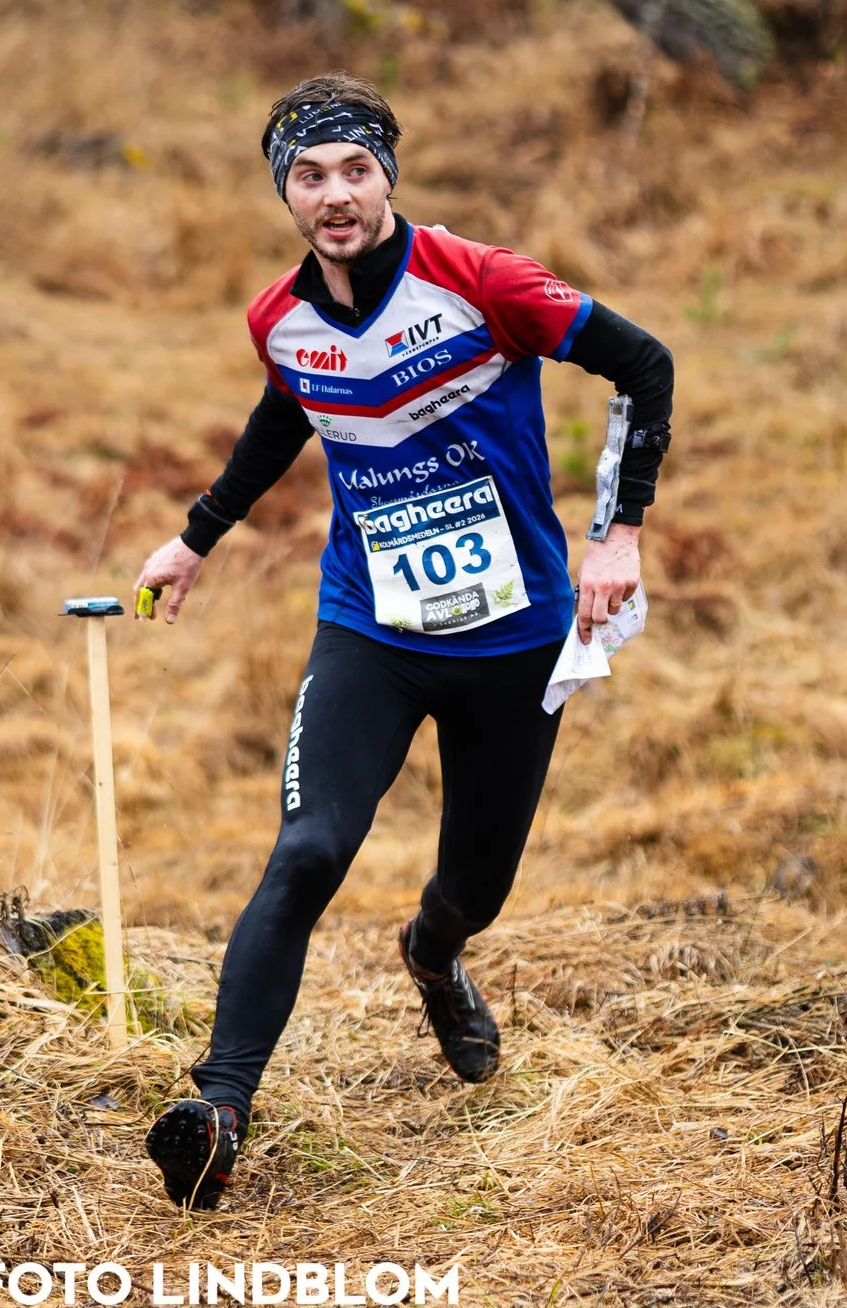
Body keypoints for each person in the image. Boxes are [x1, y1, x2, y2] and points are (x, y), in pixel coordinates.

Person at [132, 74, 674, 1211]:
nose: (334, 195)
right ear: (284, 192)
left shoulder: (485, 282)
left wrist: (616, 535)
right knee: (308, 849)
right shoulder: (278, 320)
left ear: (388, 175)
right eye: (308, 175)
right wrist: (196, 537)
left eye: (355, 170)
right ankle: (219, 1109)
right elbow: (288, 407)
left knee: (476, 883)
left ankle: (432, 952)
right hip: (369, 626)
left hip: (514, 634)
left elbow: (645, 363)